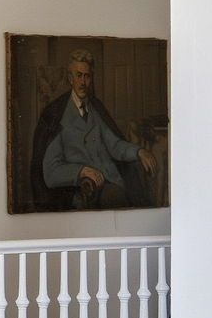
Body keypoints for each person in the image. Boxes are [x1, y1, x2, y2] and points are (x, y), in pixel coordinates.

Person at [31, 49, 156, 210]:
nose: (83, 82)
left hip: (112, 180)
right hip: (84, 190)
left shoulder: (96, 108)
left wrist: (139, 151)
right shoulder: (56, 115)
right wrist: (80, 171)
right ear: (70, 78)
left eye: (87, 76)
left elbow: (115, 145)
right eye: (78, 75)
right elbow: (50, 172)